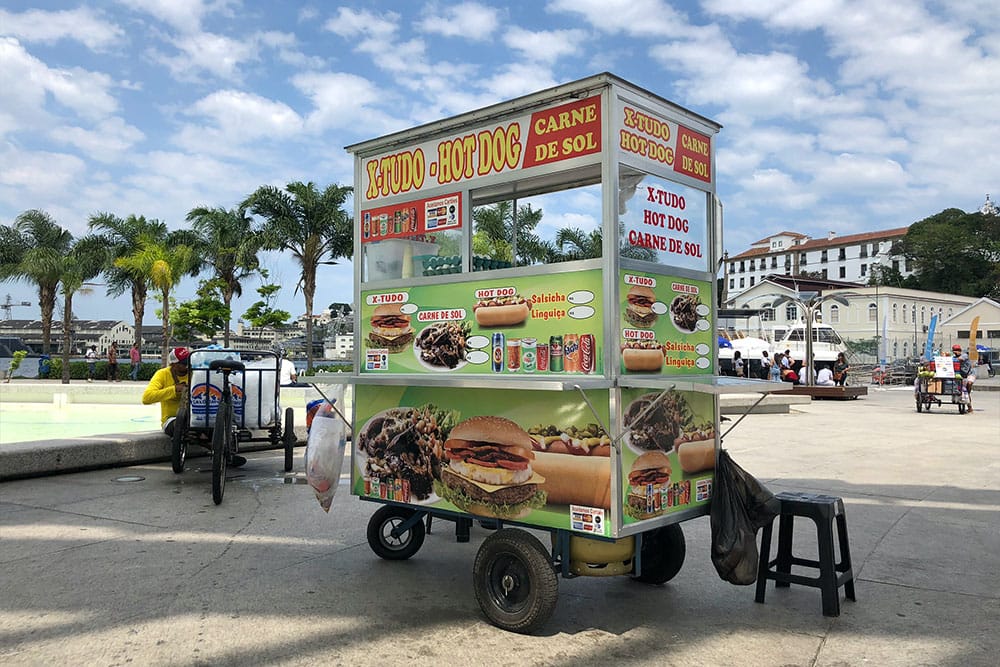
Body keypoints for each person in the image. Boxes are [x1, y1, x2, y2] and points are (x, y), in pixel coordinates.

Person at [142, 346, 246, 466]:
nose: (187, 365)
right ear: (173, 364)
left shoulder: (195, 372)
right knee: (181, 426)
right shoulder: (162, 374)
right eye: (183, 363)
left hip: (199, 415)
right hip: (172, 418)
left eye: (188, 362)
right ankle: (214, 449)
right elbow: (147, 398)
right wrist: (174, 390)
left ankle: (225, 452)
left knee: (215, 425)